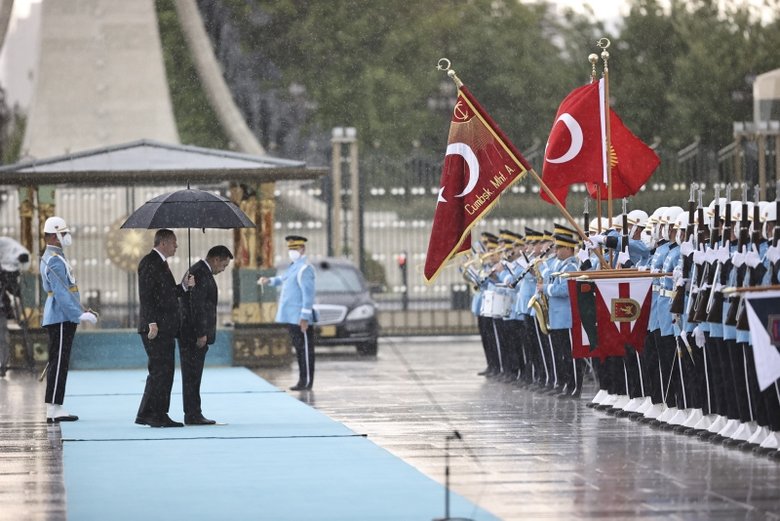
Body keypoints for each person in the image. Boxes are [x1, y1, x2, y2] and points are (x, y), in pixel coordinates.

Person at [39, 217, 98, 423]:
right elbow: (62, 294)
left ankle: (55, 405)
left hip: (62, 315)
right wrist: (77, 315)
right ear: (54, 236)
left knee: (59, 361)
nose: (66, 236)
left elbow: (67, 290)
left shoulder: (56, 256)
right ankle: (53, 407)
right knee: (59, 362)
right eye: (63, 233)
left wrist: (81, 309)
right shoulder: (54, 259)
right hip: (61, 316)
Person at [135, 229, 194, 428]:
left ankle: (147, 413)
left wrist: (183, 286)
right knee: (161, 371)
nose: (176, 246)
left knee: (161, 371)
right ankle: (157, 414)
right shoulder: (150, 263)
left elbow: (167, 295)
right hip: (156, 328)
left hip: (164, 327)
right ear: (163, 243)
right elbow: (146, 295)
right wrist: (151, 322)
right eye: (174, 242)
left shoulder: (160, 264)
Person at [179, 245, 233, 425]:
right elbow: (197, 306)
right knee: (192, 376)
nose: (223, 269)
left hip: (192, 333)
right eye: (223, 265)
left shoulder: (200, 271)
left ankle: (193, 412)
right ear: (216, 259)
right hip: (193, 335)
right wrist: (201, 333)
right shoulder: (200, 273)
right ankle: (193, 414)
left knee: (193, 376)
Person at [258, 235, 316, 391]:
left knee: (305, 351)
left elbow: (308, 295)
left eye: (295, 248)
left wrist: (305, 317)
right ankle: (302, 380)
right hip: (291, 316)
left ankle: (307, 381)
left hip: (300, 318)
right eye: (290, 249)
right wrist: (269, 281)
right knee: (299, 349)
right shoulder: (294, 267)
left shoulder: (305, 269)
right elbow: (283, 279)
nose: (292, 252)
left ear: (302, 249)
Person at [0, 237, 30, 377]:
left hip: (2, 309)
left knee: (2, 338)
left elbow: (12, 292)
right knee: (2, 339)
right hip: (3, 308)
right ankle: (2, 366)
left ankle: (2, 366)